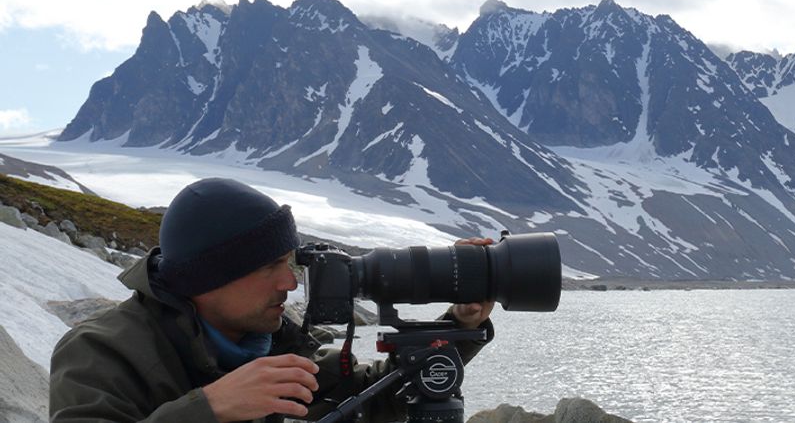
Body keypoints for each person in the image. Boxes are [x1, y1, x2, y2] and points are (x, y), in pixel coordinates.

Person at [49, 177, 495, 422]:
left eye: (290, 263)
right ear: (207, 278)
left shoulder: (276, 342)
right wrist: (209, 409)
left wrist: (462, 323)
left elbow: (375, 398)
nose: (288, 282)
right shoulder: (102, 352)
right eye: (269, 267)